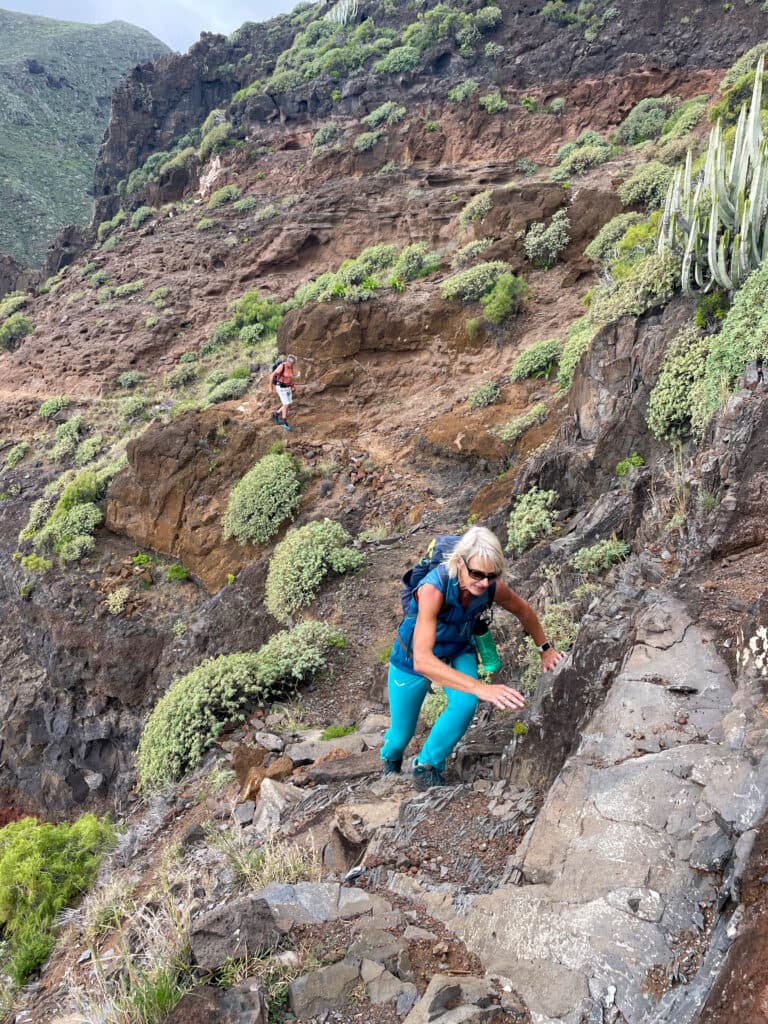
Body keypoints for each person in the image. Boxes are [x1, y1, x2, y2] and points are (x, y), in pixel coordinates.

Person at [381, 525, 565, 789]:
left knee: (465, 704)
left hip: (457, 647)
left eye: (492, 576)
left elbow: (523, 610)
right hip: (412, 656)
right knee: (400, 736)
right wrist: (482, 688)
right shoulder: (433, 589)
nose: (484, 583)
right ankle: (390, 758)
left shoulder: (491, 587)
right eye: (477, 574)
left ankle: (427, 765)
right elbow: (422, 660)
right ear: (459, 562)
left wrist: (545, 649)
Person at [269, 354, 297, 431]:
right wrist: (270, 387)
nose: (292, 364)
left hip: (288, 387)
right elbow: (272, 375)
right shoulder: (282, 366)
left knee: (289, 403)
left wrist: (293, 386)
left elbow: (290, 377)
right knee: (286, 404)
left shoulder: (291, 367)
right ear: (288, 361)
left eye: (293, 363)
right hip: (281, 387)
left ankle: (276, 414)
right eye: (291, 363)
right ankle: (284, 422)